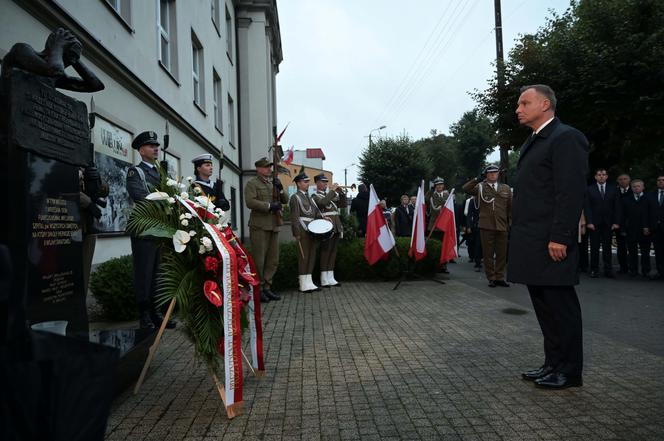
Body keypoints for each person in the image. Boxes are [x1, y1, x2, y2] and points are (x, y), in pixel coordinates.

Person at [508, 84, 588, 389]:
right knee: (544, 306)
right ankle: (552, 363)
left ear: (544, 104)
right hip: (532, 240)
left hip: (551, 241)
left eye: (524, 103)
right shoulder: (534, 140)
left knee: (561, 307)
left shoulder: (565, 137)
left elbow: (570, 193)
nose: (518, 109)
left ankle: (570, 371)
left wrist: (561, 237)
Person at [126, 131, 176, 329]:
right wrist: (166, 197)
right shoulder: (135, 172)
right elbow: (140, 195)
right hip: (145, 231)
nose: (156, 148)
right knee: (144, 273)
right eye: (150, 145)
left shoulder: (160, 172)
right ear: (141, 150)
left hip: (160, 231)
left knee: (158, 273)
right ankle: (144, 314)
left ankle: (156, 311)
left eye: (157, 145)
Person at [244, 157, 288, 302]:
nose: (269, 169)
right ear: (258, 169)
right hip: (259, 226)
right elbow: (250, 202)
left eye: (270, 166)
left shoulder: (273, 183)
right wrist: (269, 206)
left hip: (274, 225)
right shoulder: (252, 184)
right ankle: (259, 289)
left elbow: (285, 200)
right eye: (266, 167)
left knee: (273, 260)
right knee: (259, 260)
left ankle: (267, 288)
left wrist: (280, 189)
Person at [463, 165, 512, 287]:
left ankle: (500, 277)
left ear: (498, 174)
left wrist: (510, 223)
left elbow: (510, 208)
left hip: (502, 225)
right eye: (490, 173)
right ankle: (491, 277)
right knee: (488, 253)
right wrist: (477, 179)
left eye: (495, 173)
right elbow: (466, 188)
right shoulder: (480, 187)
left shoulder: (506, 188)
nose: (492, 175)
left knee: (502, 254)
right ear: (486, 174)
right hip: (486, 225)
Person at [584, 169, 621, 278]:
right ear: (595, 177)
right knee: (594, 248)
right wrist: (589, 222)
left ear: (607, 177)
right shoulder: (589, 189)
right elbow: (587, 207)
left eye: (603, 175)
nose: (601, 176)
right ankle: (594, 269)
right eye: (599, 175)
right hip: (594, 223)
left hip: (608, 223)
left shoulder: (613, 189)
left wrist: (616, 222)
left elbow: (617, 207)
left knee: (607, 248)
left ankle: (608, 270)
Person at [312, 174, 347, 287]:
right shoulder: (315, 195)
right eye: (323, 182)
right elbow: (322, 203)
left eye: (326, 182)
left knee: (333, 252)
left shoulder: (330, 196)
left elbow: (343, 204)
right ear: (317, 183)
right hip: (326, 226)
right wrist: (332, 191)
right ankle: (323, 277)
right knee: (325, 251)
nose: (326, 184)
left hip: (335, 226)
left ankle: (330, 276)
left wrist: (341, 193)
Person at [289, 172, 320, 292]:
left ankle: (309, 281)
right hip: (302, 229)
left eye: (308, 182)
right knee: (303, 256)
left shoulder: (309, 197)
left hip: (312, 229)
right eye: (305, 182)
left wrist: (322, 219)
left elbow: (314, 212)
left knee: (311, 255)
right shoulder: (295, 197)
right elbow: (294, 217)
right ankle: (303, 283)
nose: (307, 184)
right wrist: (296, 233)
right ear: (298, 183)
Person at [620, 179, 653, 277]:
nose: (636, 188)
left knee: (645, 252)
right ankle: (633, 270)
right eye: (634, 186)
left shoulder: (649, 199)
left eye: (638, 186)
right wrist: (623, 229)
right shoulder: (626, 199)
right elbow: (622, 216)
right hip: (630, 229)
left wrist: (648, 227)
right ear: (631, 188)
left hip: (645, 229)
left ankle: (646, 270)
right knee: (632, 251)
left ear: (643, 187)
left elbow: (651, 214)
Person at [615, 173, 632, 273]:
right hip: (619, 224)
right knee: (621, 247)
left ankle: (633, 267)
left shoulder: (633, 190)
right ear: (618, 181)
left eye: (625, 179)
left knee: (632, 247)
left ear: (629, 180)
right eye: (620, 179)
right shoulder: (615, 191)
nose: (623, 181)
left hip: (632, 224)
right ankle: (623, 267)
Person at [650, 174, 664, 279]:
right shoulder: (651, 195)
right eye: (658, 180)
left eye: (663, 180)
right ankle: (660, 272)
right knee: (658, 251)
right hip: (656, 228)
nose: (660, 182)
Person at [464, 195, 482, 272]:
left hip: (487, 225)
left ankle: (482, 260)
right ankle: (477, 263)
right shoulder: (473, 201)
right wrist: (468, 226)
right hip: (477, 225)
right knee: (477, 244)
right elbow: (469, 214)